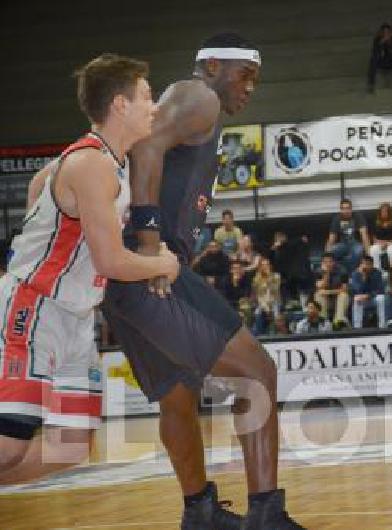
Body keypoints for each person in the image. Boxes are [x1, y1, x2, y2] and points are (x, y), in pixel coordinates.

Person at [99, 34, 304, 529]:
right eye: (244, 74)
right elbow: (146, 141)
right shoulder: (199, 95)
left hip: (121, 280)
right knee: (257, 373)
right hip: (151, 266)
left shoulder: (201, 109)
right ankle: (265, 516)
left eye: (255, 78)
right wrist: (150, 237)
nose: (250, 87)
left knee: (177, 394)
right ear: (211, 65)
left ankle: (201, 513)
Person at [0, 54, 179, 484]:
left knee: (73, 443)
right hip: (37, 306)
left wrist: (41, 230)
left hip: (76, 317)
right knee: (8, 444)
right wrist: (163, 263)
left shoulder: (100, 161)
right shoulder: (92, 163)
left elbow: (39, 184)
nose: (153, 107)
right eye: (146, 97)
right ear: (120, 105)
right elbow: (111, 261)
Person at [326, 198, 369, 273]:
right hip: (343, 244)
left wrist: (368, 254)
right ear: (341, 210)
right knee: (332, 251)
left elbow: (364, 236)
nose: (346, 211)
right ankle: (339, 271)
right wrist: (326, 256)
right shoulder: (337, 219)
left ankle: (352, 274)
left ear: (351, 209)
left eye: (348, 208)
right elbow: (331, 239)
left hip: (355, 243)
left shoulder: (358, 217)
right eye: (343, 209)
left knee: (358, 251)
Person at [313, 252, 350, 328]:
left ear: (334, 262)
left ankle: (338, 322)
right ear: (322, 263)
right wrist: (326, 273)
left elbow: (344, 289)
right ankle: (323, 321)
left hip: (338, 299)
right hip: (327, 300)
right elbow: (320, 287)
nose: (328, 264)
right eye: (325, 262)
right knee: (318, 295)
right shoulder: (318, 271)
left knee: (343, 295)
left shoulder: (342, 271)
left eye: (330, 261)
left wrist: (328, 292)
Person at [350, 256, 387, 329]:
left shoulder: (377, 273)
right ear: (360, 265)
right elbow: (357, 290)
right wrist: (363, 277)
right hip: (362, 299)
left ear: (372, 265)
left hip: (373, 298)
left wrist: (369, 295)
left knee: (381, 298)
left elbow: (380, 290)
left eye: (368, 264)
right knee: (356, 299)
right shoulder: (356, 274)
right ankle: (357, 327)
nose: (365, 266)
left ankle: (382, 326)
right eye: (364, 264)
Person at [367, 23, 392, 92]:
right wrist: (381, 43)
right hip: (382, 61)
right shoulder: (377, 40)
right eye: (384, 32)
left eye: (388, 32)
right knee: (373, 60)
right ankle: (371, 84)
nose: (386, 34)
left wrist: (390, 42)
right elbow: (375, 51)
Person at [251, 258, 282, 336]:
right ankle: (259, 335)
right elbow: (259, 295)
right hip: (262, 302)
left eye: (267, 265)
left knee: (276, 314)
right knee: (257, 312)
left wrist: (269, 278)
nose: (265, 267)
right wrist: (265, 306)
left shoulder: (276, 276)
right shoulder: (257, 279)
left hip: (275, 300)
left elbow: (275, 290)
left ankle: (276, 334)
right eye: (263, 265)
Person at [368, 202, 392, 270]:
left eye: (386, 211)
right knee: (373, 249)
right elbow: (373, 238)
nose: (384, 213)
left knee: (391, 250)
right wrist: (381, 243)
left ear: (390, 212)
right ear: (379, 212)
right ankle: (377, 271)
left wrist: (389, 243)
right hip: (380, 244)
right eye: (382, 211)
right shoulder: (375, 222)